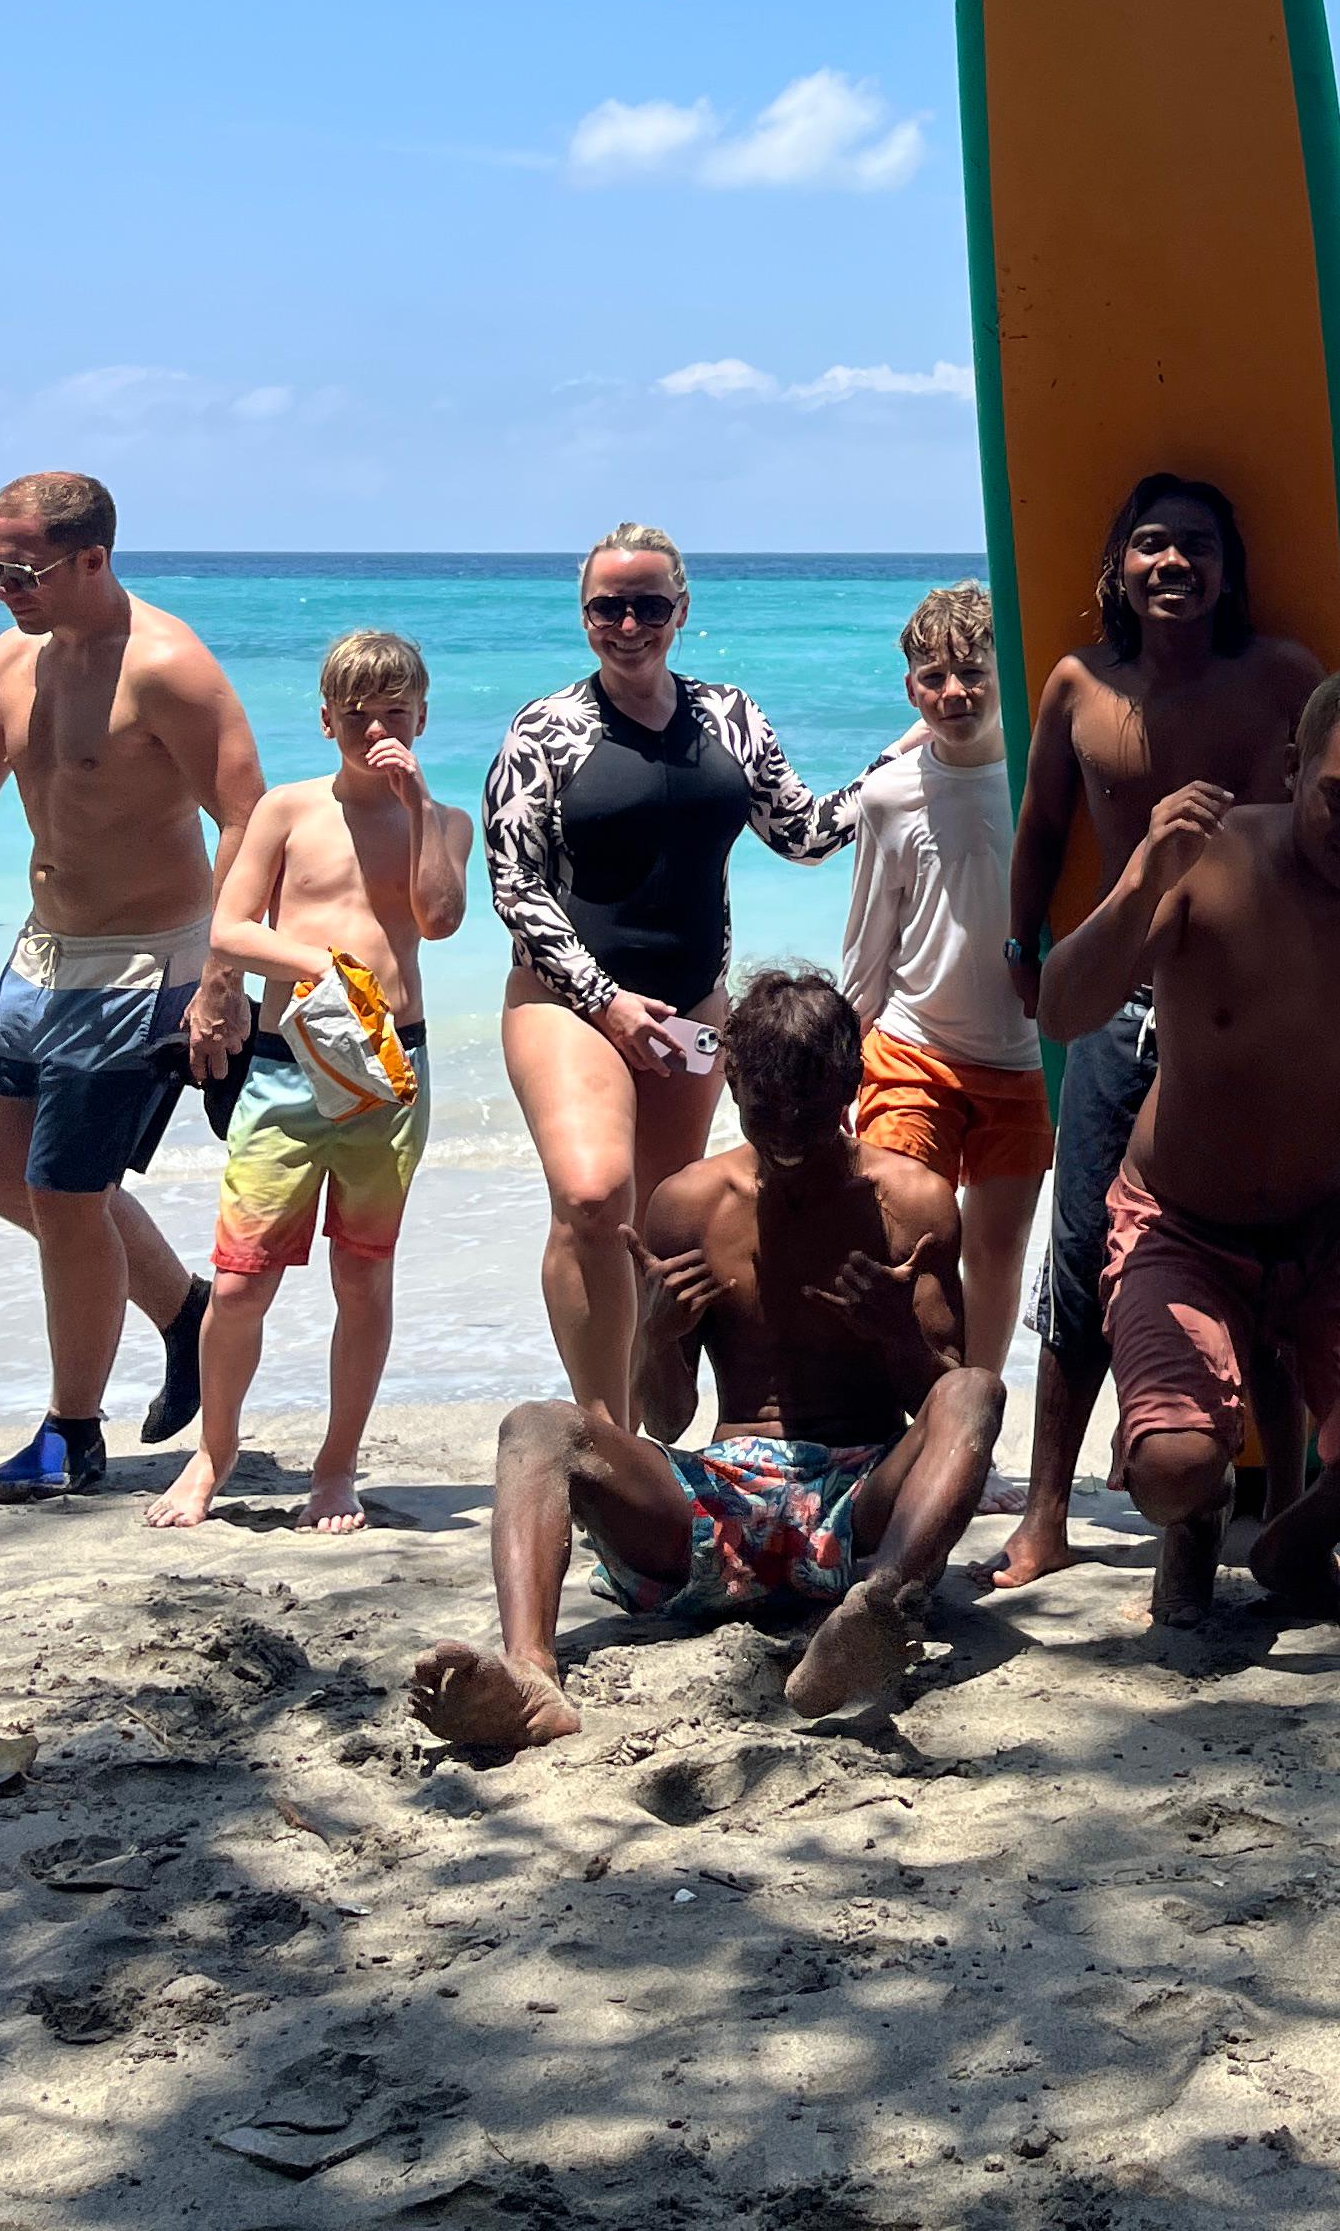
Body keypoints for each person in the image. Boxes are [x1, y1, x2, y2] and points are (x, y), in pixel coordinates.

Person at [406, 967, 1005, 1742]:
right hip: (715, 1500)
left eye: (809, 1103)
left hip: (859, 1501)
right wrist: (655, 1336)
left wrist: (896, 1333)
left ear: (852, 1081)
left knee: (979, 1389)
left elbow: (946, 1406)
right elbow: (667, 1416)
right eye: (765, 1105)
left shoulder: (913, 1202)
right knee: (536, 1427)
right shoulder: (687, 1204)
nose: (786, 1127)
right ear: (730, 1085)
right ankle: (529, 1675)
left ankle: (882, 1609)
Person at [1041, 662, 1340, 1638]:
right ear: (1293, 768)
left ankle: (1292, 1540)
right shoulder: (1207, 861)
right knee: (1173, 1466)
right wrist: (1138, 883)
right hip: (1181, 1225)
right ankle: (1197, 1524)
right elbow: (1065, 1007)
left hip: (1331, 1233)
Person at [0, 471, 263, 1501]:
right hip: (42, 954)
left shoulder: (170, 669)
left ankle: (71, 1430)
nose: (3, 585)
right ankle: (184, 1313)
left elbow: (249, 821)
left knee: (64, 1194)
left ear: (93, 558)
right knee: (5, 1180)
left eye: (21, 566)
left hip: (148, 961)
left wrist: (221, 979)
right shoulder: (13, 659)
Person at [986, 477, 1323, 1592]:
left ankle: (1290, 1501)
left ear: (1228, 570)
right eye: (1151, 547)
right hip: (1121, 1002)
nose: (1173, 566)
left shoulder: (1278, 677)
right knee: (1081, 1245)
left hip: (1247, 1004)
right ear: (1117, 568)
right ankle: (1045, 1509)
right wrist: (1024, 946)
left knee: (1268, 1243)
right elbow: (1040, 823)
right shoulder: (1079, 685)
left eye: (1196, 549)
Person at [483, 524, 887, 1423]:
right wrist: (607, 1001)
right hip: (566, 1003)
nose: (628, 624)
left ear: (682, 611)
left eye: (649, 605)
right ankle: (601, 1431)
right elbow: (513, 884)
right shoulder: (543, 730)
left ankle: (644, 1414)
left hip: (694, 1001)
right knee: (592, 1197)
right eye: (607, 607)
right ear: (584, 615)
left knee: (653, 1231)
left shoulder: (732, 717)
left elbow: (805, 834)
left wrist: (906, 762)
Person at [146, 630, 471, 1538]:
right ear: (327, 719)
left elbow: (439, 921)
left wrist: (413, 803)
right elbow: (229, 930)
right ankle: (212, 1453)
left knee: (362, 1277)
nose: (376, 732)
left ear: (421, 718)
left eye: (395, 716)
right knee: (242, 1282)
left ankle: (336, 1467)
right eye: (358, 717)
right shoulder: (289, 810)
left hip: (390, 1070)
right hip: (289, 1066)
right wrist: (324, 969)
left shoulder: (444, 822)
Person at [838, 581, 1051, 1381]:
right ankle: (904, 1415)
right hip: (911, 1047)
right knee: (904, 1241)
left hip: (1024, 1060)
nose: (954, 692)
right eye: (934, 677)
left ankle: (975, 1421)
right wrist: (841, 1057)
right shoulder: (890, 793)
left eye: (974, 674)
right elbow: (868, 936)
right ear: (910, 689)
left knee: (996, 1255)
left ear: (1009, 678)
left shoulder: (1040, 774)